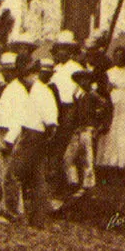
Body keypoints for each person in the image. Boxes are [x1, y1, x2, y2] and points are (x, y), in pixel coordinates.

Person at [7, 58, 59, 228]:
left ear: (34, 74)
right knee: (37, 178)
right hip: (37, 136)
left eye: (27, 75)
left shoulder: (40, 92)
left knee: (14, 174)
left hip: (33, 135)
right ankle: (38, 219)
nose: (25, 79)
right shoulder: (39, 91)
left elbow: (50, 119)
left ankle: (15, 214)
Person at [0, 53, 30, 220]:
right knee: (4, 172)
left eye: (10, 71)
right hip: (2, 131)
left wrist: (9, 138)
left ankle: (13, 210)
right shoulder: (8, 89)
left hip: (10, 134)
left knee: (10, 174)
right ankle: (8, 206)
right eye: (4, 70)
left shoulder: (18, 90)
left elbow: (20, 118)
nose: (6, 73)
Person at [63, 69, 111, 199]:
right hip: (78, 130)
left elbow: (105, 108)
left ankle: (87, 187)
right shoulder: (78, 95)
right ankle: (73, 184)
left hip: (88, 129)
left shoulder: (94, 95)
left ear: (90, 81)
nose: (82, 82)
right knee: (68, 157)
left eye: (85, 79)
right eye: (80, 80)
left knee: (87, 159)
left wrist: (99, 126)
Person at [96, 46, 125, 173]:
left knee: (122, 130)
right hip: (112, 102)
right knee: (111, 128)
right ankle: (109, 161)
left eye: (121, 56)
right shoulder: (109, 72)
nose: (119, 58)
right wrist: (107, 89)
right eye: (116, 56)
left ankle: (122, 162)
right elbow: (104, 91)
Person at [49, 30, 83, 189]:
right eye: (59, 48)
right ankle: (59, 182)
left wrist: (73, 113)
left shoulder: (75, 68)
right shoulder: (56, 69)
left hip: (69, 109)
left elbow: (78, 93)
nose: (61, 52)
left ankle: (72, 183)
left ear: (70, 51)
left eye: (65, 48)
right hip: (56, 109)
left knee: (67, 147)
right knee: (56, 147)